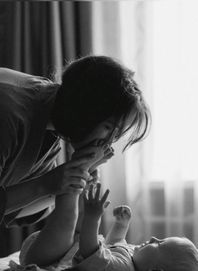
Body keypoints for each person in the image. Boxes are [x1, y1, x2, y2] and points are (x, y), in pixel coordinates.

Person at [0, 55, 150, 227]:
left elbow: (12, 210)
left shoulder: (49, 127)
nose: (108, 142)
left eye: (117, 134)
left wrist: (73, 179)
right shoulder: (9, 116)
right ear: (86, 109)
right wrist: (44, 184)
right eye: (109, 127)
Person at [10, 178, 198, 271]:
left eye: (159, 244)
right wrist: (122, 224)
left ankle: (71, 180)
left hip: (42, 258)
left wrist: (93, 217)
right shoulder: (131, 258)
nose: (154, 237)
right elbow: (116, 242)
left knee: (68, 215)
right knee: (68, 218)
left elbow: (90, 251)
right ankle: (76, 181)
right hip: (56, 247)